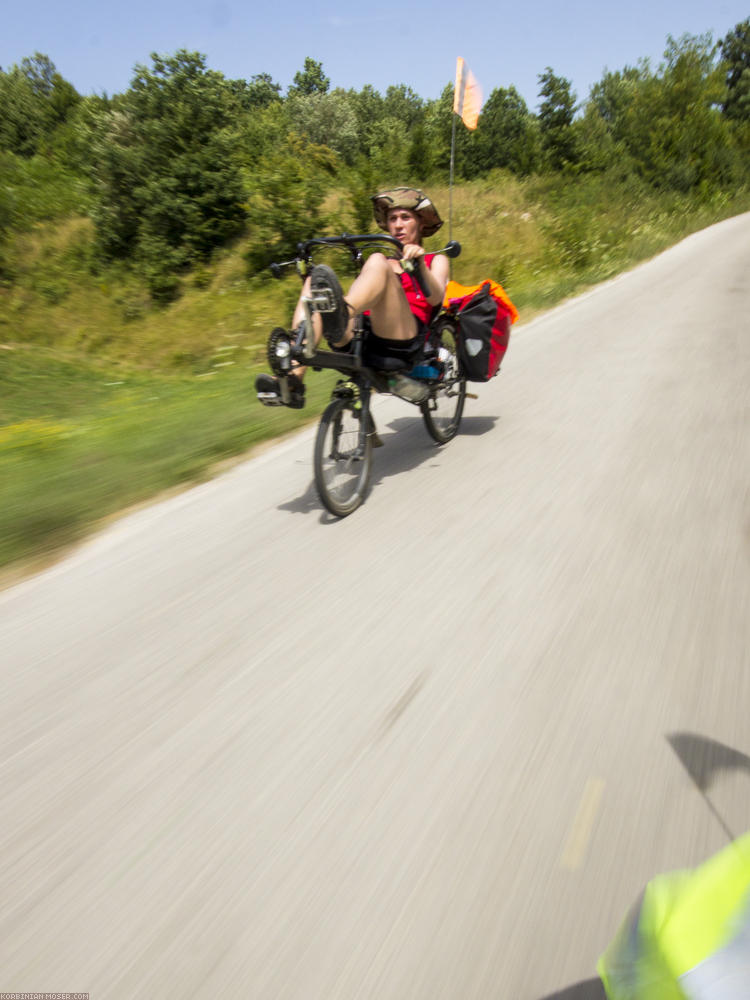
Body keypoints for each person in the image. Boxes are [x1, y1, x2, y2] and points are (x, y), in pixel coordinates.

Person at [255, 187, 450, 408]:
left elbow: (436, 298)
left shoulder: (435, 260)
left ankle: (340, 314)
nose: (397, 225)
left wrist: (419, 265)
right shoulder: (382, 263)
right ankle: (293, 379)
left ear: (421, 223)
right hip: (361, 336)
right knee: (314, 281)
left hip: (402, 340)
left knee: (377, 261)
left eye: (405, 218)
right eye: (392, 218)